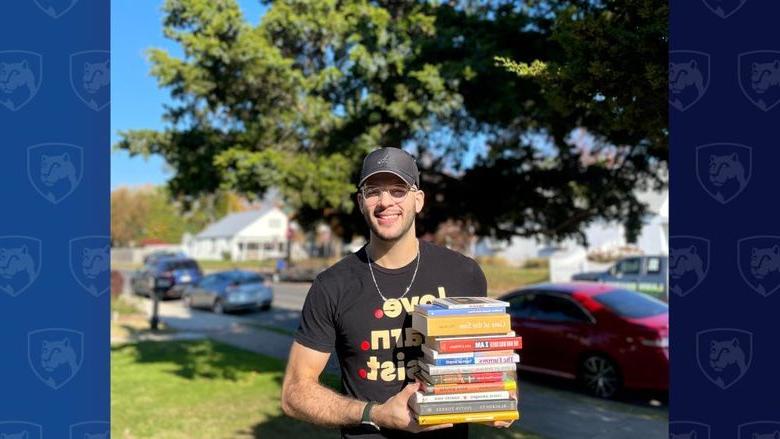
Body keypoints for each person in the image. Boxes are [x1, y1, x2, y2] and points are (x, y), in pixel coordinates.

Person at [281, 147, 513, 438]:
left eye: (398, 190)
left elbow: (483, 365)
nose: (385, 202)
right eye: (373, 191)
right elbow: (294, 393)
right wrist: (374, 413)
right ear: (360, 202)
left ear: (418, 200)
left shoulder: (463, 274)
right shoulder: (332, 285)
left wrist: (494, 397)